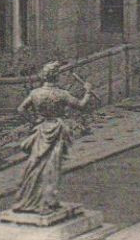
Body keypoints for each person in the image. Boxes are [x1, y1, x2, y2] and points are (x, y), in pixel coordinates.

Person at [12, 62, 95, 214]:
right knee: (53, 165)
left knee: (35, 163)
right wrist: (88, 92)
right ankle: (48, 200)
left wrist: (34, 121)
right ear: (56, 76)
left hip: (41, 129)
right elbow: (81, 105)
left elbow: (21, 109)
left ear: (44, 76)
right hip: (56, 129)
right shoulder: (61, 94)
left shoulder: (35, 93)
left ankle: (33, 198)